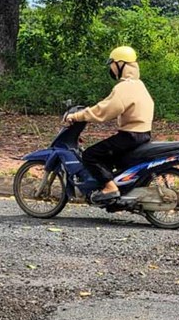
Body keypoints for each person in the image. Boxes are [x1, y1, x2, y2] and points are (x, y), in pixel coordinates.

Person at [65, 46, 154, 203]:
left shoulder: (125, 87)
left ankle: (110, 188)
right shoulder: (139, 85)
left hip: (130, 136)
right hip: (142, 134)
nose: (111, 68)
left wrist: (78, 115)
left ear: (120, 64)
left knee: (90, 155)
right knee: (107, 157)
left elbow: (103, 110)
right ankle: (114, 185)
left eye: (112, 63)